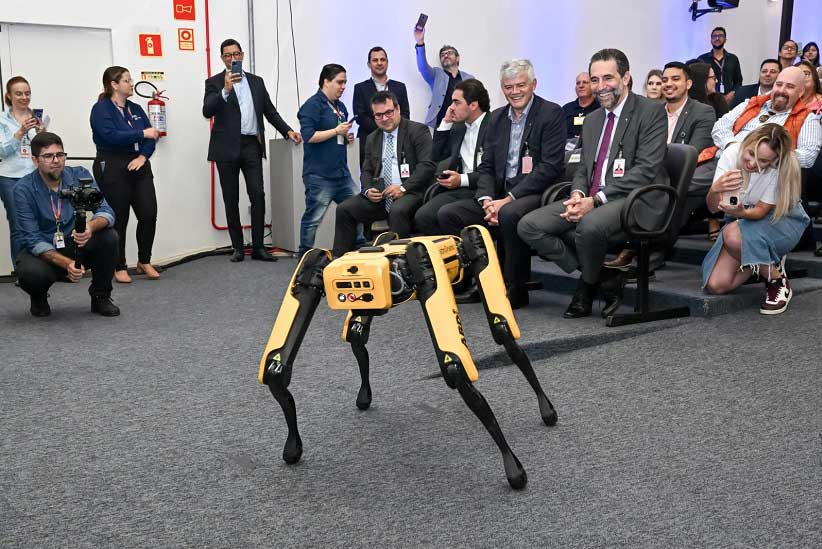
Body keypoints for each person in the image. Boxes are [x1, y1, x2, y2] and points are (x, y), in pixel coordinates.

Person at [517, 48, 667, 319]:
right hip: (591, 197)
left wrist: (595, 200)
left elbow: (646, 170)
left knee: (588, 225)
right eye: (595, 80)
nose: (600, 87)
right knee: (530, 226)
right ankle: (602, 276)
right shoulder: (593, 118)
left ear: (626, 77)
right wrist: (577, 193)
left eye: (608, 78)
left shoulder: (651, 111)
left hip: (636, 198)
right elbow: (584, 166)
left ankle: (586, 287)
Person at [438, 59, 566, 309]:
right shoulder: (496, 118)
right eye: (508, 87)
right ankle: (478, 281)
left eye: (521, 85)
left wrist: (507, 199)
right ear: (502, 88)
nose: (515, 91)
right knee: (448, 214)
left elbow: (549, 168)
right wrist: (485, 200)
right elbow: (486, 167)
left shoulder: (551, 114)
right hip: (497, 194)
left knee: (508, 213)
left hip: (535, 192)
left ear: (533, 85)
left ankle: (514, 289)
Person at [606, 61, 716, 269]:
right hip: (649, 171)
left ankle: (648, 252)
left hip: (681, 173)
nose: (668, 84)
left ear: (689, 84)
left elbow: (694, 151)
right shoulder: (651, 110)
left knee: (674, 190)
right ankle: (631, 244)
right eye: (665, 79)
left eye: (675, 79)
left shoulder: (703, 112)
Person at [203, 38, 301, 263]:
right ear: (222, 59)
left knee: (257, 194)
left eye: (236, 54)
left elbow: (270, 111)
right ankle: (237, 248)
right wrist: (225, 91)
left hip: (251, 145)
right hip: (226, 148)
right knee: (231, 199)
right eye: (228, 55)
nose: (233, 58)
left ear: (243, 55)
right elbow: (207, 111)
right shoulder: (214, 82)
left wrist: (288, 131)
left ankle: (258, 247)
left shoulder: (256, 82)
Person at [702, 124, 809, 315]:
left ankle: (777, 281)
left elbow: (760, 211)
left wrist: (740, 213)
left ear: (774, 161)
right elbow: (712, 208)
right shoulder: (731, 154)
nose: (752, 163)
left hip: (781, 221)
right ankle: (765, 261)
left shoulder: (778, 169)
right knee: (717, 285)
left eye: (763, 161)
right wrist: (714, 189)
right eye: (750, 154)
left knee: (732, 234)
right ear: (747, 142)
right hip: (742, 222)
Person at [13, 132, 119, 317]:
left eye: (60, 155)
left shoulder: (80, 176)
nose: (56, 160)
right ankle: (38, 297)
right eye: (48, 156)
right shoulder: (23, 189)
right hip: (43, 252)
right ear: (35, 160)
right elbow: (32, 239)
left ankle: (101, 296)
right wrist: (68, 263)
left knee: (109, 236)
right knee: (30, 272)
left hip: (74, 242)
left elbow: (106, 211)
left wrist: (90, 227)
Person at [332, 90, 434, 256]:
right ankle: (339, 262)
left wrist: (402, 188)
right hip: (381, 195)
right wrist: (367, 189)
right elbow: (366, 170)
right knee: (344, 209)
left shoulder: (417, 131)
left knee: (397, 209)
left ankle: (400, 261)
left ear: (398, 109)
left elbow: (427, 166)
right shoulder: (373, 138)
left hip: (411, 192)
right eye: (379, 115)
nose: (384, 119)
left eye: (388, 112)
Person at [90, 66, 161, 283]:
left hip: (139, 164)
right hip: (112, 164)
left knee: (148, 214)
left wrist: (143, 157)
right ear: (114, 84)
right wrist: (141, 133)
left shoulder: (136, 109)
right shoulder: (101, 109)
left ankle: (144, 261)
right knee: (119, 218)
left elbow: (152, 136)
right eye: (127, 80)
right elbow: (110, 136)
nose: (132, 84)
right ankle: (118, 265)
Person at [414, 79, 491, 236]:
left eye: (456, 102)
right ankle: (453, 254)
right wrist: (446, 122)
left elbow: (492, 172)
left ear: (473, 105)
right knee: (423, 217)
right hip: (463, 189)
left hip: (487, 189)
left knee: (446, 213)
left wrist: (460, 179)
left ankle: (470, 254)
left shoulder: (494, 125)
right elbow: (436, 155)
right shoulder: (459, 127)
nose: (451, 107)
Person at [297, 64, 359, 257]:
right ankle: (304, 257)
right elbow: (308, 136)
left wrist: (345, 137)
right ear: (326, 81)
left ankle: (359, 248)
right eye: (339, 82)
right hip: (320, 175)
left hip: (341, 173)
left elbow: (338, 136)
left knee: (359, 208)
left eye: (345, 83)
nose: (343, 86)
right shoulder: (311, 106)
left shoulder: (340, 107)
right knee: (313, 219)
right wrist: (335, 132)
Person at [0, 76, 47, 266]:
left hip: (36, 176)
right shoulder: (2, 119)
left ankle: (41, 267)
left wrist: (43, 133)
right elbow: (2, 151)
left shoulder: (38, 116)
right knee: (19, 226)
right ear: (9, 96)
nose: (24, 97)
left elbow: (45, 149)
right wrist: (19, 133)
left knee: (41, 222)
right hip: (10, 177)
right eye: (18, 93)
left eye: (27, 93)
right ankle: (23, 270)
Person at [352, 47, 410, 167]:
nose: (379, 63)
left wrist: (393, 130)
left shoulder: (400, 87)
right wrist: (384, 129)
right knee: (370, 179)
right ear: (369, 64)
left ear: (387, 62)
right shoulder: (360, 88)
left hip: (398, 141)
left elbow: (405, 113)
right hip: (369, 141)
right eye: (375, 60)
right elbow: (360, 117)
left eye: (383, 59)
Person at [413, 23, 474, 129]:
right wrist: (420, 43)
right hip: (439, 126)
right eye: (442, 55)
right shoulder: (436, 74)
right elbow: (423, 67)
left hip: (462, 127)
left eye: (449, 53)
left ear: (457, 58)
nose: (445, 55)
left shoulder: (469, 79)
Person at [697, 26, 743, 103]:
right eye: (714, 36)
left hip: (729, 100)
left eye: (720, 36)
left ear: (725, 40)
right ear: (711, 40)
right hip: (708, 100)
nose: (717, 38)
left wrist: (733, 93)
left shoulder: (733, 58)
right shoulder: (702, 59)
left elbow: (738, 81)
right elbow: (698, 81)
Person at [561, 72, 599, 140]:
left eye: (585, 82)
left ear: (592, 85)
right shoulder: (566, 109)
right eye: (578, 83)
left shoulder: (600, 108)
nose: (581, 86)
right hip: (568, 149)